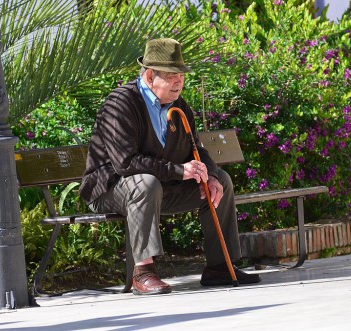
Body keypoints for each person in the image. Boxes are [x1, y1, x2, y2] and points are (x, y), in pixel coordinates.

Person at [79, 38, 261, 295]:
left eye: (181, 76)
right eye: (172, 76)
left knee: (223, 181)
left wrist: (209, 174)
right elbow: (125, 163)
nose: (179, 82)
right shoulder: (121, 103)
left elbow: (197, 148)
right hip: (111, 189)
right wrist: (179, 171)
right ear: (150, 76)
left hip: (160, 189)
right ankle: (143, 272)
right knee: (145, 183)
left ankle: (221, 266)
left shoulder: (180, 106)